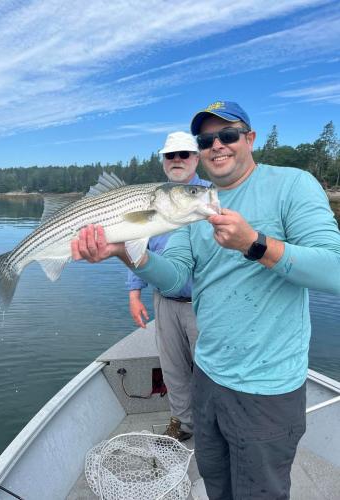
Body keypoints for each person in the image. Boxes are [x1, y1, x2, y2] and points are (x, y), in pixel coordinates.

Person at [71, 100, 340, 500]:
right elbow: (176, 274)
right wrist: (127, 254)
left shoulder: (291, 185)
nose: (217, 145)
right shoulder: (196, 205)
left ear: (249, 139)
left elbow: (333, 270)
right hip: (209, 378)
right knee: (216, 482)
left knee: (260, 491)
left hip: (266, 387)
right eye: (207, 139)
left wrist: (254, 243)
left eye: (228, 135)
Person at [127, 131, 211, 441]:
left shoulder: (209, 195)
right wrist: (134, 294)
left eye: (184, 154)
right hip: (164, 300)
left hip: (205, 302)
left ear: (196, 158)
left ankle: (214, 427)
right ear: (163, 162)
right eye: (170, 155)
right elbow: (138, 246)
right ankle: (184, 423)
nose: (177, 160)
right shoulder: (149, 197)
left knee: (210, 371)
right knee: (173, 369)